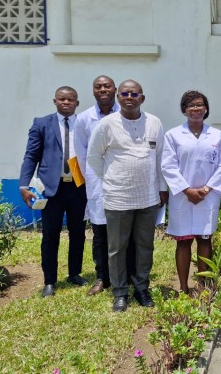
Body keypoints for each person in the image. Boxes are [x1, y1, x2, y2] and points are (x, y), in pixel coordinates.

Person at [87, 79, 168, 312]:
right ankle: (120, 292)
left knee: (145, 245)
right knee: (117, 248)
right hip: (118, 198)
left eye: (134, 94)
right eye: (124, 94)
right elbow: (93, 157)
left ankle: (142, 288)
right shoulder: (107, 124)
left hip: (148, 198)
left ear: (142, 98)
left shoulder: (154, 122)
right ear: (118, 97)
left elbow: (160, 157)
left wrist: (162, 188)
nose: (129, 97)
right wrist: (111, 179)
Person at [19, 86, 88, 297]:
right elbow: (31, 155)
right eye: (62, 99)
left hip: (78, 187)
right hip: (51, 189)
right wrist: (23, 185)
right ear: (55, 101)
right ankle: (49, 280)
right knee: (50, 235)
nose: (66, 102)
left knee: (78, 233)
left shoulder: (84, 123)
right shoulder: (42, 123)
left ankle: (74, 273)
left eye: (70, 99)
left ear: (77, 103)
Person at [162, 91, 221, 294]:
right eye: (191, 105)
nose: (196, 109)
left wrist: (206, 189)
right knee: (183, 242)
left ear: (206, 109)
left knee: (204, 239)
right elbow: (168, 165)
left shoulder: (216, 135)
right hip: (182, 197)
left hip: (207, 196)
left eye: (200, 105)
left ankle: (203, 286)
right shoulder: (173, 135)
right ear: (184, 110)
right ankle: (183, 287)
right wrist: (187, 190)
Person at [75, 75, 136, 296]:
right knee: (100, 233)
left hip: (125, 182)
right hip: (97, 183)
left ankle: (129, 274)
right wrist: (94, 178)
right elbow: (81, 154)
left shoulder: (128, 114)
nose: (103, 89)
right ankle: (102, 277)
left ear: (115, 90)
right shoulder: (84, 119)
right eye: (98, 86)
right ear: (93, 90)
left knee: (127, 231)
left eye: (107, 86)